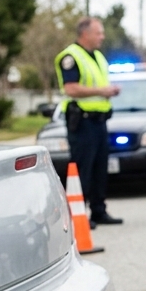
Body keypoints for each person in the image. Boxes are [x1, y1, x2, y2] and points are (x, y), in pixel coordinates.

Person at [55, 17, 122, 228]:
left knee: (100, 168)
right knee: (84, 168)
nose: (102, 36)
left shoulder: (98, 57)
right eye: (99, 33)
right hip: (82, 122)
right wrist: (102, 91)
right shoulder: (70, 57)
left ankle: (99, 211)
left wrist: (107, 93)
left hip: (99, 121)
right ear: (85, 33)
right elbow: (71, 88)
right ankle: (78, 215)